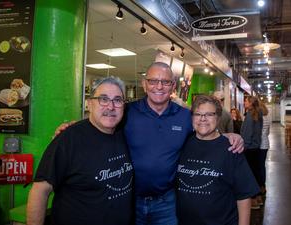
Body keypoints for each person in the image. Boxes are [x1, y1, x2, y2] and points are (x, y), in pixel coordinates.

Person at [54, 62, 244, 225]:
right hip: (129, 200)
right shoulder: (126, 112)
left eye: (165, 82)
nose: (159, 86)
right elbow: (102, 119)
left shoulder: (185, 117)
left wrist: (226, 135)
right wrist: (73, 127)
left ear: (172, 87)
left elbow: (205, 131)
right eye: (153, 81)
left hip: (167, 202)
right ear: (145, 84)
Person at [26, 77, 134, 225]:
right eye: (103, 99)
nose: (111, 106)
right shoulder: (68, 139)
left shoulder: (124, 133)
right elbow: (40, 191)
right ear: (89, 104)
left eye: (117, 100)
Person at [176, 95, 259, 225]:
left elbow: (244, 195)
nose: (203, 119)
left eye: (209, 114)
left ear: (218, 118)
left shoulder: (232, 148)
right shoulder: (182, 143)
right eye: (198, 114)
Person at [240, 96, 263, 209]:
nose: (244, 102)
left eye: (246, 101)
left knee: (250, 175)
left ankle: (253, 200)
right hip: (256, 147)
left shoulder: (250, 115)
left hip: (249, 149)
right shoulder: (258, 114)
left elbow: (247, 134)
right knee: (256, 172)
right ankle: (258, 198)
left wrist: (244, 147)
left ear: (250, 103)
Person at [259, 101, 271, 196]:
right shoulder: (267, 117)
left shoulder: (259, 118)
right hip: (266, 144)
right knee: (262, 166)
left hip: (259, 144)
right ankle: (263, 186)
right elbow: (268, 132)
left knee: (258, 167)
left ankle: (260, 186)